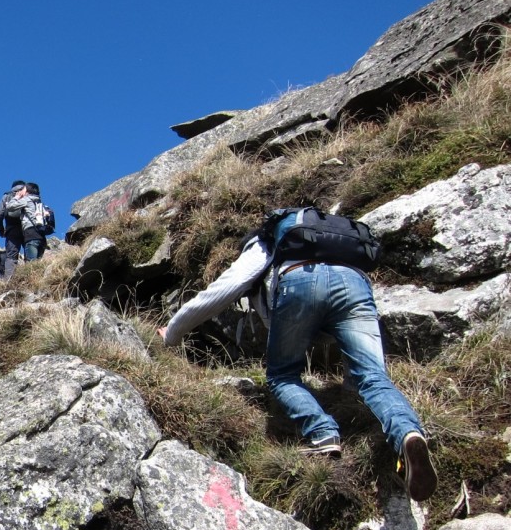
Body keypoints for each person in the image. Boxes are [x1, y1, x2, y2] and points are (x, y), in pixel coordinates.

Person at [157, 213, 438, 502]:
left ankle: (323, 433)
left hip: (301, 279)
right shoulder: (331, 235)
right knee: (373, 377)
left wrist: (173, 332)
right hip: (355, 282)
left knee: (282, 375)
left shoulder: (265, 238)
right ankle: (408, 433)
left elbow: (230, 284)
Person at [5, 182, 53, 264]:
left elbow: (10, 206)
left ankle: (33, 277)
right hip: (41, 237)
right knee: (38, 263)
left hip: (31, 235)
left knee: (31, 264)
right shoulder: (39, 202)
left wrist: (17, 196)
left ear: (27, 191)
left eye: (23, 189)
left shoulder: (27, 200)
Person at [0, 180, 26, 279]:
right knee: (29, 254)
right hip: (28, 228)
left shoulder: (7, 196)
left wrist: (1, 230)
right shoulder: (28, 194)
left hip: (12, 229)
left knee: (11, 257)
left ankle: (9, 281)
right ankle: (32, 278)